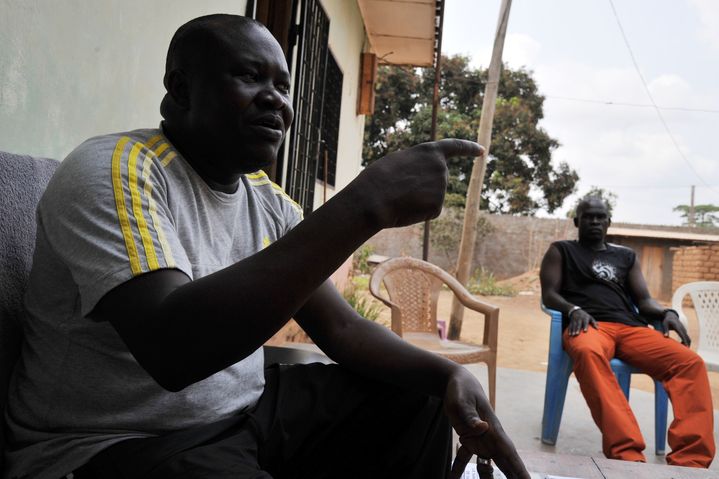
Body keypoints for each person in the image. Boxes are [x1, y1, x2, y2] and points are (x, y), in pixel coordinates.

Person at [5, 14, 530, 479]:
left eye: (283, 85)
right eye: (250, 77)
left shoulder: (269, 202)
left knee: (419, 401)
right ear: (180, 90)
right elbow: (173, 351)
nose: (276, 99)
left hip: (244, 412)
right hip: (116, 441)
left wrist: (449, 375)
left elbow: (342, 328)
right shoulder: (115, 171)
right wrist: (365, 204)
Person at [539, 196, 715, 468]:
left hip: (631, 328)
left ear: (609, 222)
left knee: (689, 363)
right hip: (588, 325)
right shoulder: (561, 250)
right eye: (588, 217)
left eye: (600, 217)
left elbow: (643, 300)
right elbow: (549, 294)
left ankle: (690, 461)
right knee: (587, 352)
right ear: (577, 221)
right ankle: (627, 454)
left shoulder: (625, 256)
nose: (595, 221)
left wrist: (666, 312)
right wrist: (573, 309)